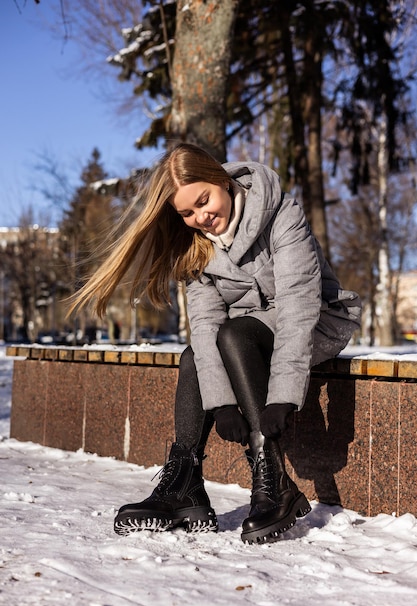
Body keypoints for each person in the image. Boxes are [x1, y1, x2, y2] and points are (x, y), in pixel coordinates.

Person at [69, 142, 361, 545]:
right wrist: (221, 403)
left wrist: (283, 395)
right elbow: (204, 325)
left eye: (203, 201)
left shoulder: (281, 213)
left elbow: (298, 304)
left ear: (221, 179)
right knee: (196, 352)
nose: (200, 218)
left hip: (318, 321)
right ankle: (183, 485)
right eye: (186, 212)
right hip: (247, 332)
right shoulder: (195, 245)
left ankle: (275, 483)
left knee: (234, 333)